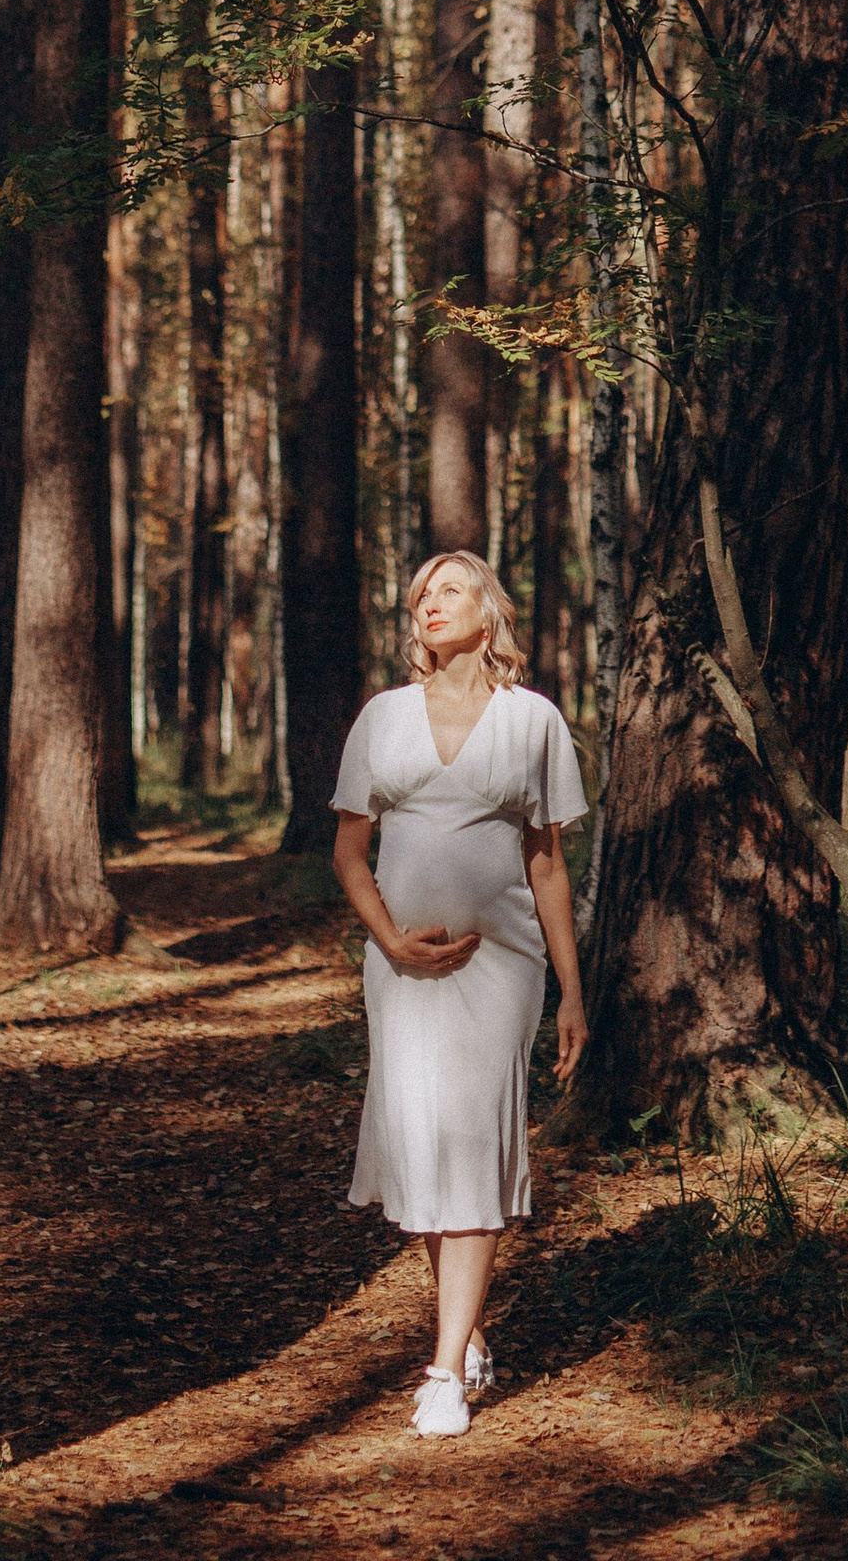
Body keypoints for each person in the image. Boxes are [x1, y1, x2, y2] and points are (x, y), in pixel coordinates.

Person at [330, 549, 590, 1439]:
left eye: (448, 591)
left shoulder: (533, 721)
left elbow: (548, 863)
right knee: (417, 1142)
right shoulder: (382, 717)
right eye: (419, 597)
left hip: (503, 965)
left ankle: (443, 1373)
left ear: (489, 611)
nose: (430, 606)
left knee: (475, 1141)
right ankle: (468, 1322)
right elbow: (349, 855)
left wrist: (570, 990)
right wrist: (390, 938)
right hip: (398, 969)